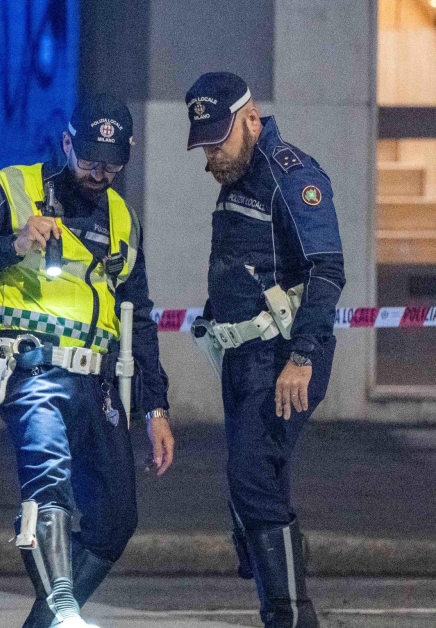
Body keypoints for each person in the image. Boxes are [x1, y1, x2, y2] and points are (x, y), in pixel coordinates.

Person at [0, 94, 175, 628]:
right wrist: (14, 244)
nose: (98, 172)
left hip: (98, 383)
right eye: (88, 158)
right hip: (32, 370)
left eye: (111, 163)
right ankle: (65, 614)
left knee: (116, 520)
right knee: (50, 494)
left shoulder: (123, 218)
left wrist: (156, 410)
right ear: (66, 142)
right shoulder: (12, 189)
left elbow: (138, 318)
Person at [185, 72, 343, 628]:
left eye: (219, 141)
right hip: (243, 360)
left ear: (251, 119)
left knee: (252, 481)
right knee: (253, 486)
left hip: (282, 359)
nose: (212, 156)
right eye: (204, 144)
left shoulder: (290, 174)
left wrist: (302, 358)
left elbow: (327, 271)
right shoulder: (239, 174)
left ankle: (291, 617)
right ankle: (280, 602)